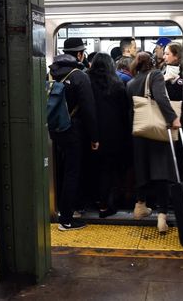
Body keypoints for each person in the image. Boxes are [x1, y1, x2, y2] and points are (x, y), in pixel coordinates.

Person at [126, 52, 181, 233]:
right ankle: (162, 216)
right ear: (151, 63)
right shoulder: (156, 75)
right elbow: (160, 97)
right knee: (160, 171)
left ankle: (140, 207)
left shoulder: (131, 83)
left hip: (139, 131)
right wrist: (173, 118)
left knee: (141, 169)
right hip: (156, 131)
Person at [49, 38, 99, 231]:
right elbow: (89, 109)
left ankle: (64, 210)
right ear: (80, 54)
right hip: (74, 131)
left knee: (63, 170)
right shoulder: (79, 75)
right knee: (73, 173)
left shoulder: (51, 73)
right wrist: (94, 137)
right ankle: (67, 219)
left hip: (56, 129)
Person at [87, 52, 131, 218]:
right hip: (114, 135)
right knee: (109, 170)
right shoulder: (118, 84)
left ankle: (94, 201)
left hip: (91, 134)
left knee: (93, 169)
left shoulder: (86, 81)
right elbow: (124, 112)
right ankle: (106, 205)